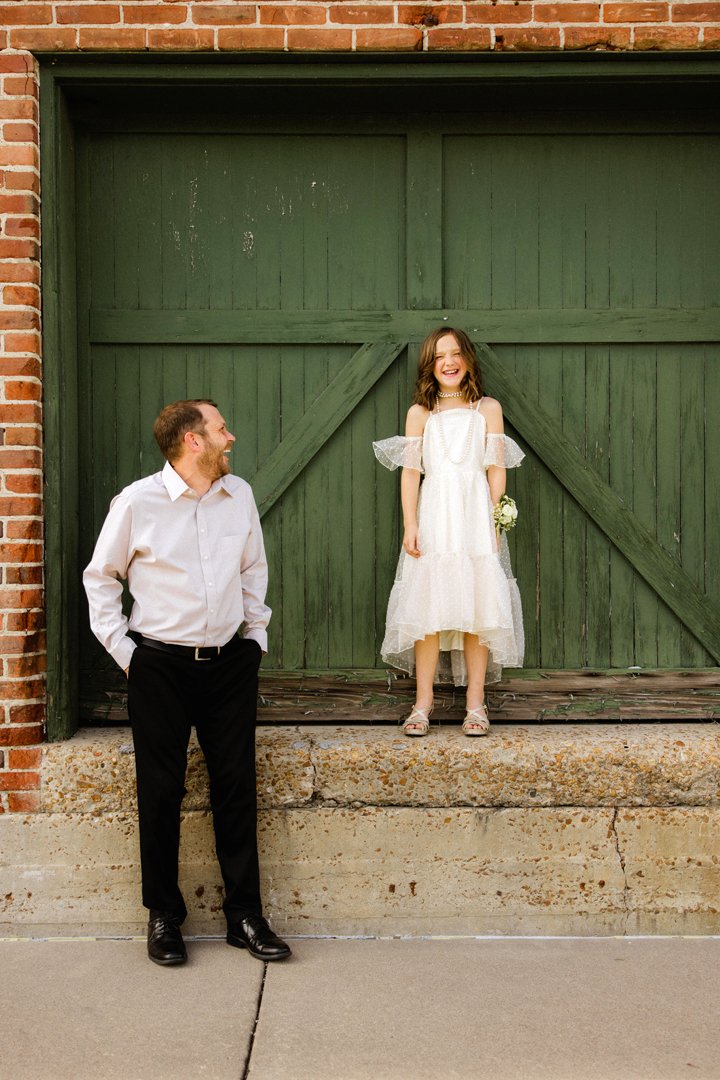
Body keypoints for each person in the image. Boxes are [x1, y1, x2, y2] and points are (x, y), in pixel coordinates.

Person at [83, 399, 291, 966]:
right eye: (221, 429)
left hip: (229, 664)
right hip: (159, 667)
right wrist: (128, 655)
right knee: (160, 792)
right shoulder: (137, 502)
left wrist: (255, 638)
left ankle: (244, 916)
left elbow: (252, 569)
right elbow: (100, 579)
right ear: (193, 441)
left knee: (236, 788)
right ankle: (163, 917)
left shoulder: (238, 494)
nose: (231, 437)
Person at [373, 329, 525, 736]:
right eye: (440, 356)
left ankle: (476, 703)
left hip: (474, 515)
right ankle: (422, 703)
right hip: (436, 515)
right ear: (430, 365)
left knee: (477, 606)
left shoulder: (487, 408)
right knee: (429, 609)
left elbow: (496, 469)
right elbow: (410, 474)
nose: (449, 362)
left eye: (456, 354)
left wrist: (494, 518)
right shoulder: (420, 413)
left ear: (468, 359)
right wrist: (411, 524)